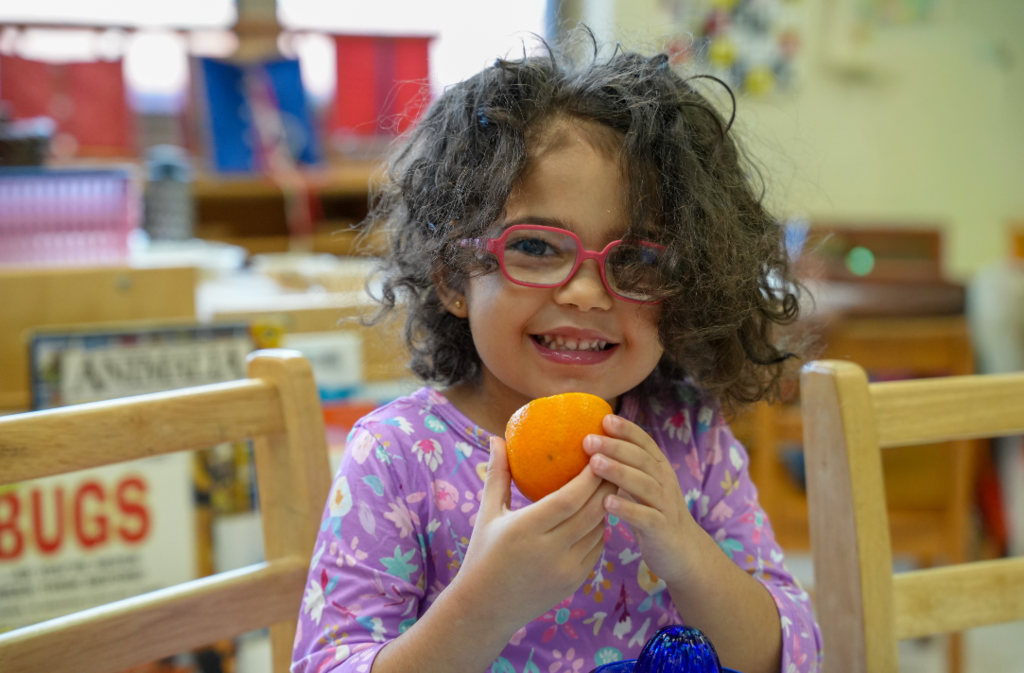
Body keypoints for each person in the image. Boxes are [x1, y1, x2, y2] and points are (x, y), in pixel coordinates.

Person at [292, 37, 822, 673]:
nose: (587, 291)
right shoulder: (398, 458)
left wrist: (687, 553)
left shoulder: (689, 437)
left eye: (638, 258)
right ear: (455, 277)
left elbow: (793, 650)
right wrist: (484, 603)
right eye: (537, 247)